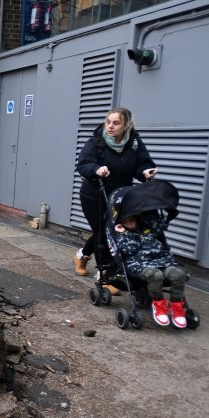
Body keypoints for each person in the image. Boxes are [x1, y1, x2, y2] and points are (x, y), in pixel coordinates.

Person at [74, 107, 157, 289]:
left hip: (120, 196)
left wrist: (146, 171)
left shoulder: (134, 142)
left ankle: (82, 255)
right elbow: (83, 164)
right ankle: (106, 274)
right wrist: (96, 169)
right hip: (94, 194)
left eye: (116, 123)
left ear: (126, 125)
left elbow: (142, 164)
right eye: (108, 122)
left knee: (110, 231)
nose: (110, 126)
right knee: (104, 232)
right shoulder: (97, 140)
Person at [113, 212, 188, 328]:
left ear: (135, 218)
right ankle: (158, 305)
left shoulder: (148, 227)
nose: (128, 222)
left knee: (178, 274)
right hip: (140, 264)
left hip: (162, 261)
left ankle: (177, 306)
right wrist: (124, 234)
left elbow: (161, 228)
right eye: (125, 221)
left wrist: (163, 216)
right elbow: (129, 250)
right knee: (156, 275)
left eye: (131, 219)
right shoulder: (122, 234)